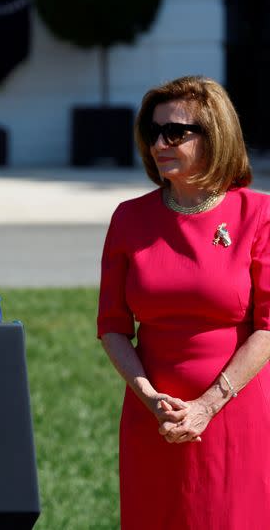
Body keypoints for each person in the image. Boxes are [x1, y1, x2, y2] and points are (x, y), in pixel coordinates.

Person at [97, 75, 270, 528]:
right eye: (153, 132)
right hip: (154, 416)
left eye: (175, 132)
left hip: (235, 414)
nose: (160, 143)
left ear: (214, 137)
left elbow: (268, 328)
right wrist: (149, 396)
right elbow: (112, 326)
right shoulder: (130, 218)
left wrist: (208, 405)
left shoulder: (258, 214)